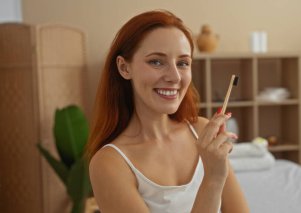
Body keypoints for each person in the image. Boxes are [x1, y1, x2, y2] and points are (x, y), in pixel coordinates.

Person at [87, 9, 250, 213]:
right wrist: (213, 179)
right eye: (156, 61)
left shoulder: (201, 129)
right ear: (124, 68)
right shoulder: (109, 164)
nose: (174, 76)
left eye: (183, 63)